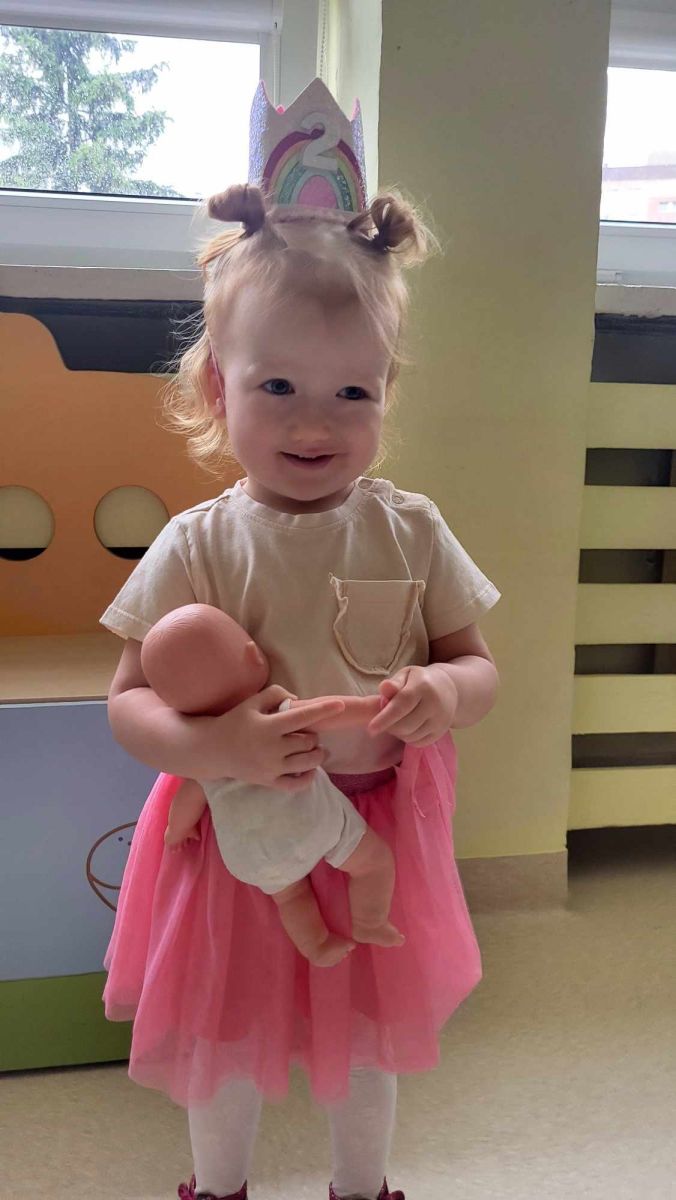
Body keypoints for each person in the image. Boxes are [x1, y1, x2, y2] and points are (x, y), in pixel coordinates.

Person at [101, 77, 500, 1200]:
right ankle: (218, 1186)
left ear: (385, 392)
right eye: (276, 384)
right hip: (237, 830)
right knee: (222, 1033)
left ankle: (361, 1186)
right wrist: (213, 746)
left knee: (368, 1034)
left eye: (351, 393)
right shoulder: (198, 541)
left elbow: (477, 665)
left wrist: (444, 694)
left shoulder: (411, 528)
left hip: (376, 824)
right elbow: (128, 699)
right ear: (215, 390)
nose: (315, 421)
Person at [142, 602, 403, 965]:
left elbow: (188, 796)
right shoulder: (274, 714)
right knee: (374, 863)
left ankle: (317, 947)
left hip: (250, 857)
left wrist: (175, 830)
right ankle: (369, 921)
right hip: (316, 823)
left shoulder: (205, 754)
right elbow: (333, 709)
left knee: (292, 897)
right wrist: (379, 707)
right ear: (254, 656)